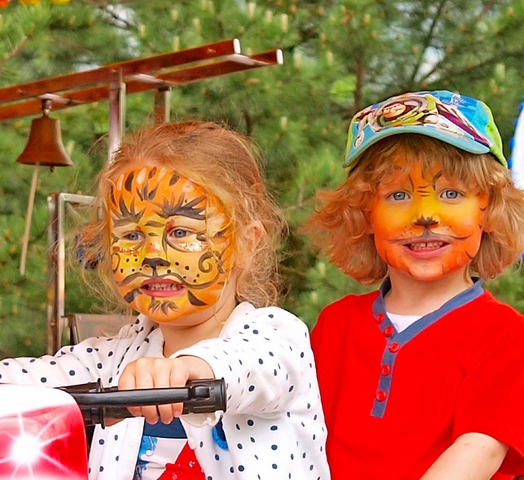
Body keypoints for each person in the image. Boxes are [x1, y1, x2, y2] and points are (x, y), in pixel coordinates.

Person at [0, 121, 329, 480]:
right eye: (132, 235)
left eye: (181, 232)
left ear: (246, 244)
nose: (152, 255)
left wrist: (189, 368)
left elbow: (251, 367)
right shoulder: (112, 360)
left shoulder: (277, 336)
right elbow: (22, 381)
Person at [306, 90, 524, 480]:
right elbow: (300, 435)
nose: (426, 216)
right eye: (398, 195)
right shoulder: (335, 325)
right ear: (364, 215)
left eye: (451, 194)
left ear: (491, 211)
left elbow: (479, 448)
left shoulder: (503, 333)